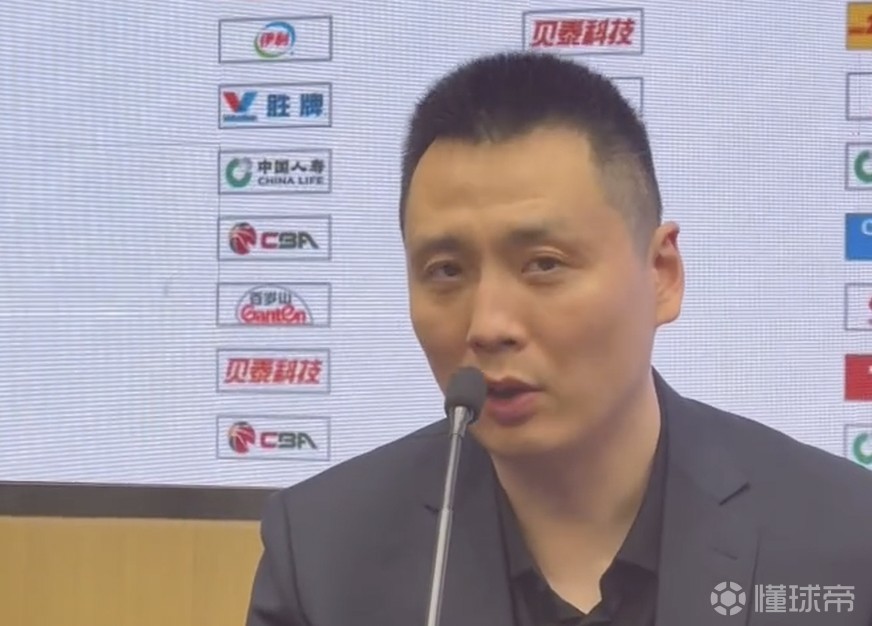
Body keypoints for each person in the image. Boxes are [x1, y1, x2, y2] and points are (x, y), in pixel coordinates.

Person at [245, 51, 872, 626]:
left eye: (543, 264)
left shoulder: (846, 539)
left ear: (661, 275)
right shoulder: (325, 557)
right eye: (447, 271)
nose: (488, 326)